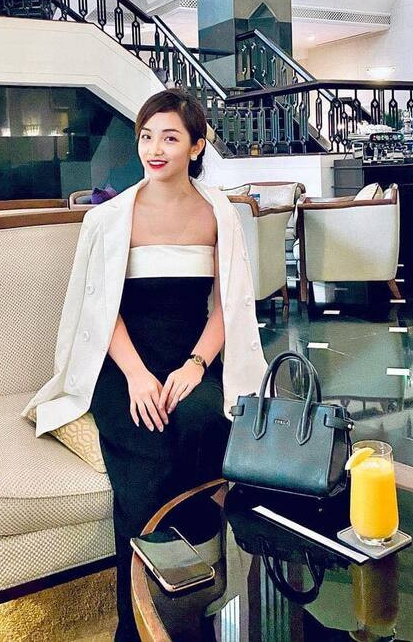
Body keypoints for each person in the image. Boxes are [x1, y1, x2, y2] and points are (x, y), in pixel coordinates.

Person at [24, 88, 267, 640]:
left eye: (170, 138)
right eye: (147, 136)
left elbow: (229, 305)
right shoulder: (110, 218)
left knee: (202, 422)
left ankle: (198, 599)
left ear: (197, 146)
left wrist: (196, 365)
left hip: (189, 356)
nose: (154, 149)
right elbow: (100, 309)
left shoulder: (218, 214)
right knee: (149, 446)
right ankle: (137, 621)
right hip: (122, 362)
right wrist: (136, 375)